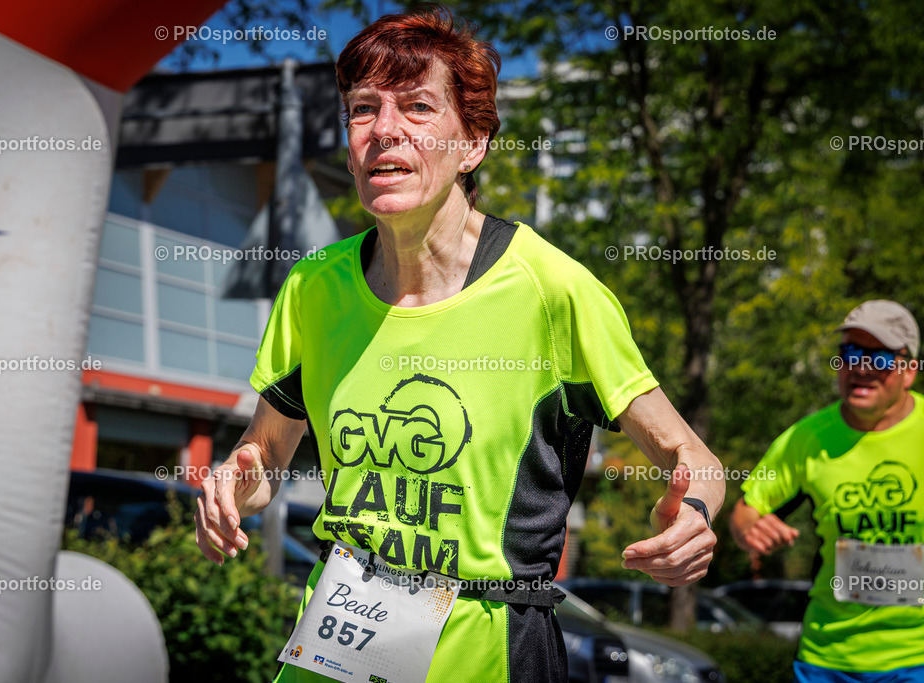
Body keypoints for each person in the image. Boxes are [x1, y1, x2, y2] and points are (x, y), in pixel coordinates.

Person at [194, 7, 724, 682]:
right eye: (363, 109)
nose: (385, 129)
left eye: (418, 107)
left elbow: (695, 459)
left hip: (490, 651)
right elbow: (267, 451)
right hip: (331, 650)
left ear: (473, 144)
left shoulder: (551, 290)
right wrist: (233, 482)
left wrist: (693, 511)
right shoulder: (312, 288)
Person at [730, 300, 923, 682]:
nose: (861, 368)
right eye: (850, 353)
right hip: (827, 660)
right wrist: (750, 530)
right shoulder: (807, 438)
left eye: (879, 358)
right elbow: (745, 510)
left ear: (908, 371)